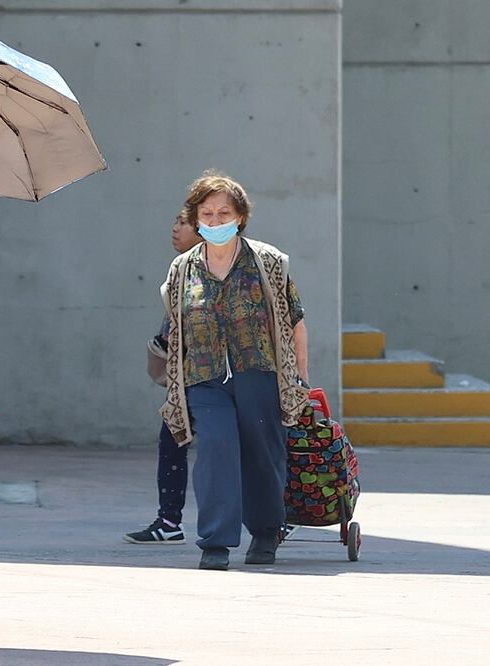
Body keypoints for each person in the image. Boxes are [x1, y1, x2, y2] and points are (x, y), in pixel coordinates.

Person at [158, 170, 309, 571]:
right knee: (215, 449)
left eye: (224, 213)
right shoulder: (182, 270)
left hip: (259, 371)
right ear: (196, 218)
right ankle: (216, 542)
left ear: (240, 216)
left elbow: (294, 321)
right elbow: (175, 327)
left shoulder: (269, 262)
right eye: (206, 213)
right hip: (204, 376)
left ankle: (264, 533)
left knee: (263, 453)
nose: (215, 221)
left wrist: (300, 379)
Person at [123, 216, 200, 545]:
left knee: (231, 450)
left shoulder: (200, 271)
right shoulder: (182, 269)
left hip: (206, 380)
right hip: (187, 382)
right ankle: (169, 521)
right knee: (172, 442)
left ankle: (275, 517)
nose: (174, 228)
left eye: (184, 223)